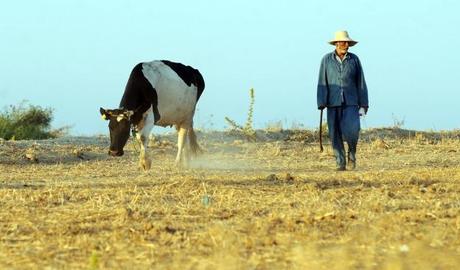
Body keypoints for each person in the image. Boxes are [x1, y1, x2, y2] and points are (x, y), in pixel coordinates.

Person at [317, 30, 369, 171]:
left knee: (352, 131)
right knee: (335, 133)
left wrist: (364, 103)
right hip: (332, 103)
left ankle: (352, 156)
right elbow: (322, 81)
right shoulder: (326, 60)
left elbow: (361, 82)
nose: (345, 45)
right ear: (336, 43)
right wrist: (321, 101)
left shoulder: (354, 60)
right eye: (342, 42)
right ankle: (340, 162)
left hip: (351, 102)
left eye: (347, 42)